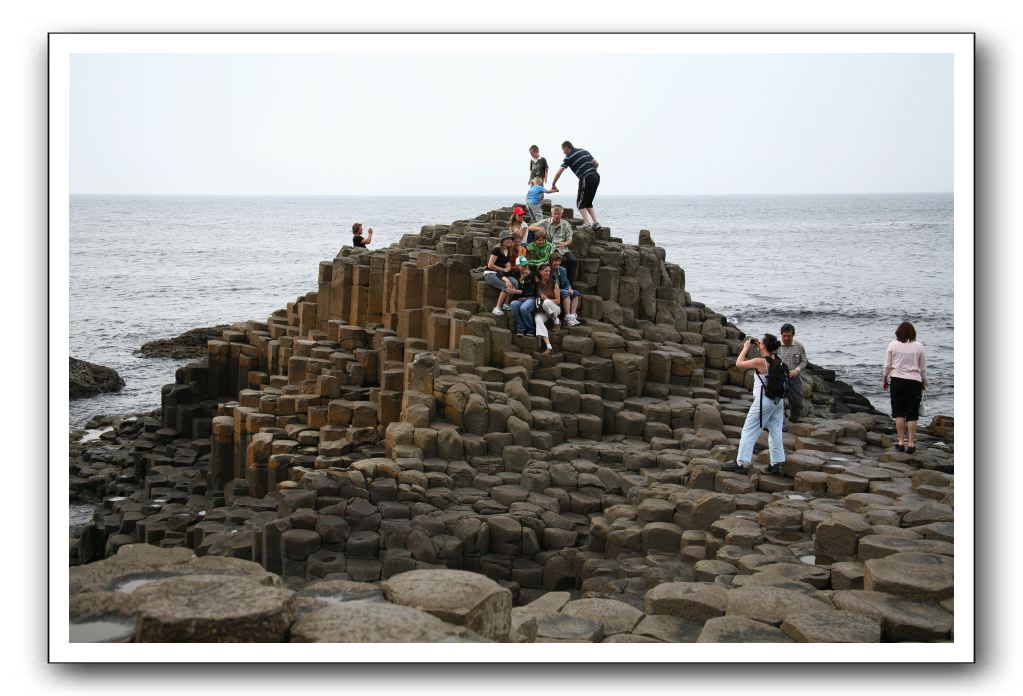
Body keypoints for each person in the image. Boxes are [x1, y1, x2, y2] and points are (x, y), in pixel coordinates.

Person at [722, 334, 787, 476]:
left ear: (763, 345)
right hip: (778, 401)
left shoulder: (760, 362)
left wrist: (745, 348)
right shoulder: (777, 359)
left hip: (764, 401)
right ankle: (776, 463)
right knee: (775, 432)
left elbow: (739, 363)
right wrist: (761, 347)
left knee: (748, 430)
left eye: (761, 341)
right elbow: (767, 355)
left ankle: (741, 463)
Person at [882, 321, 926, 454]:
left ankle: (901, 442)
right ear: (913, 333)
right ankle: (911, 444)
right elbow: (922, 368)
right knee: (912, 413)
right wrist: (924, 382)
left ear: (898, 332)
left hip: (897, 380)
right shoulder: (919, 346)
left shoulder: (892, 345)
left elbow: (887, 365)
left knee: (899, 412)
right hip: (914, 382)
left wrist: (884, 379)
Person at [549, 141, 601, 230]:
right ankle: (595, 222)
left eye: (563, 150)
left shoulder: (568, 157)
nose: (563, 152)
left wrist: (553, 184)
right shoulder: (584, 151)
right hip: (596, 176)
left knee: (580, 203)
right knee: (588, 202)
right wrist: (591, 171)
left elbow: (559, 172)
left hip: (586, 177)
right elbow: (596, 164)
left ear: (566, 147)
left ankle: (587, 223)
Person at [526, 204, 577, 283]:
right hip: (551, 248)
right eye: (555, 214)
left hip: (563, 248)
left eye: (558, 214)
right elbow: (530, 227)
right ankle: (560, 283)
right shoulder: (546, 221)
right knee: (562, 260)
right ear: (552, 214)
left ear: (561, 214)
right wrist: (539, 228)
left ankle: (569, 284)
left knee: (573, 261)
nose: (556, 215)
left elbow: (570, 240)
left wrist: (565, 243)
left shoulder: (565, 224)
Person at [776, 323, 809, 423]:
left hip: (794, 376)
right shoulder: (776, 345)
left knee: (797, 401)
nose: (786, 338)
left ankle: (794, 418)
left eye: (788, 336)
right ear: (781, 335)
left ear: (793, 335)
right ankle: (779, 422)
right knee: (778, 401)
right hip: (779, 377)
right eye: (784, 336)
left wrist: (797, 370)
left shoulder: (799, 346)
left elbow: (804, 361)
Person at [484, 234, 522, 315]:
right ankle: (497, 307)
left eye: (510, 239)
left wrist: (508, 265)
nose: (509, 240)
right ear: (502, 240)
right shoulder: (497, 250)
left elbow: (505, 261)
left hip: (500, 274)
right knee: (506, 286)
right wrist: (503, 269)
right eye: (506, 239)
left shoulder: (508, 250)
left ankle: (506, 304)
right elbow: (490, 265)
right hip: (490, 273)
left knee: (515, 283)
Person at [549, 253, 582, 327]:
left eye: (559, 261)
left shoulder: (563, 270)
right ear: (551, 262)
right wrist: (566, 290)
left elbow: (566, 281)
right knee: (565, 292)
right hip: (552, 290)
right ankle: (567, 316)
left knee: (575, 293)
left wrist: (569, 288)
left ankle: (572, 315)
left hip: (562, 289)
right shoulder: (548, 270)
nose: (557, 263)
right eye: (555, 261)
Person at [509, 257, 539, 337]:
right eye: (522, 265)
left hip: (532, 298)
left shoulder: (532, 275)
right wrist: (506, 280)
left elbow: (531, 292)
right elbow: (502, 274)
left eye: (526, 264)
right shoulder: (515, 274)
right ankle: (521, 328)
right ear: (517, 266)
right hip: (520, 299)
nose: (525, 266)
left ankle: (531, 329)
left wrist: (515, 291)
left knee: (524, 308)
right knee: (513, 304)